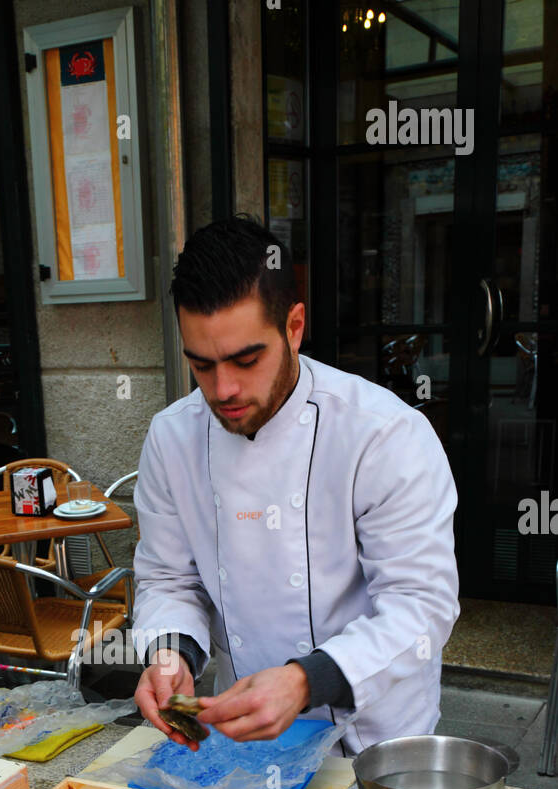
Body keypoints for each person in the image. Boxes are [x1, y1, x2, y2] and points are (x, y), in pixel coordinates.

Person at [132, 215, 459, 756]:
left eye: (246, 359)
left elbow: (420, 605)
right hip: (241, 737)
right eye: (202, 365)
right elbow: (168, 580)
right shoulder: (172, 439)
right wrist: (170, 656)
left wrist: (305, 679)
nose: (224, 388)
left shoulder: (382, 434)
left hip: (373, 740)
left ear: (294, 326)